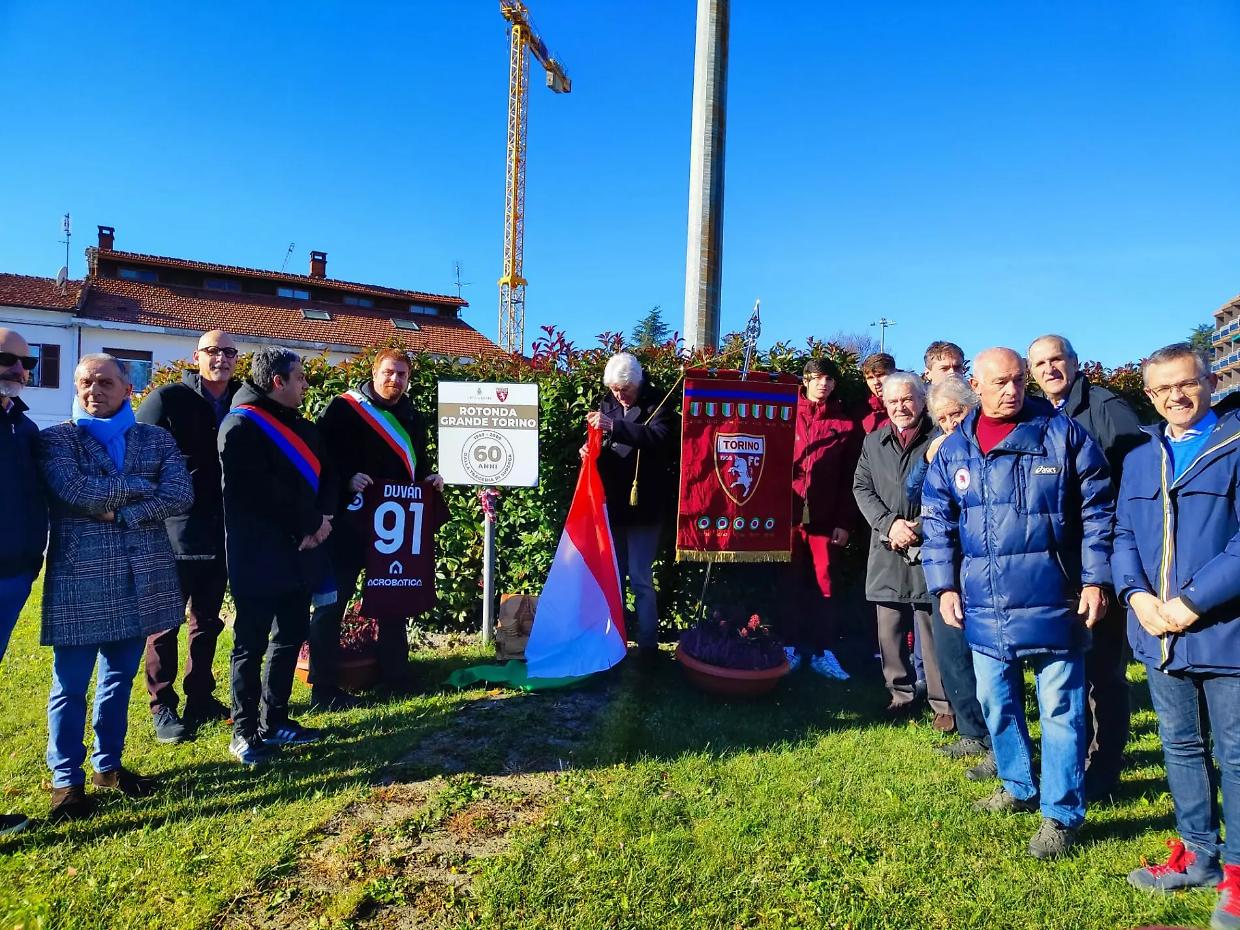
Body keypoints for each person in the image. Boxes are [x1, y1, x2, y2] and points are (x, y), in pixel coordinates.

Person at [921, 347, 1113, 859]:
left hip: (1055, 600)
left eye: (1017, 382)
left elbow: (1098, 511)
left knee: (1061, 711)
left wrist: (1095, 580)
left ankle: (1062, 814)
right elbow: (937, 523)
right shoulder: (954, 451)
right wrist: (944, 586)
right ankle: (1016, 783)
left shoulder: (1064, 436)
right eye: (1000, 383)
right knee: (997, 704)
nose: (1011, 391)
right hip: (984, 604)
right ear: (976, 387)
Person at [1117, 344, 1240, 930]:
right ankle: (1198, 855)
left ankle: (1238, 877)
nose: (1175, 397)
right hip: (1157, 635)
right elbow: (1121, 535)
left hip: (1224, 633)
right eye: (1163, 389)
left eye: (1185, 384)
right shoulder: (1143, 456)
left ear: (1210, 381)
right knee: (1180, 745)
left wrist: (1191, 603)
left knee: (1236, 756)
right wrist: (1137, 597)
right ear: (1150, 395)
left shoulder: (1235, 445)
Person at [39, 354, 193, 820]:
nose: (94, 390)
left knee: (118, 681)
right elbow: (74, 492)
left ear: (129, 389)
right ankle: (66, 780)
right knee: (69, 686)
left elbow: (181, 494)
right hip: (79, 580)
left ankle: (108, 766)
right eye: (86, 382)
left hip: (139, 579)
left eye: (105, 382)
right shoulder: (58, 440)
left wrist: (122, 509)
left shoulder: (155, 437)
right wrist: (143, 487)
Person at [1028, 333, 1146, 800]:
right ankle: (1073, 757)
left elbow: (1131, 490)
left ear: (1075, 363)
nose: (1049, 369)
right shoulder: (1038, 415)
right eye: (1039, 363)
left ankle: (1105, 765)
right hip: (1056, 563)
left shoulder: (1107, 409)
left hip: (1101, 557)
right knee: (1066, 666)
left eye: (1057, 359)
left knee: (1103, 670)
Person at [219, 347, 335, 765]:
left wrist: (322, 520)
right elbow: (257, 491)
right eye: (300, 378)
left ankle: (276, 720)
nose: (305, 385)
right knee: (250, 643)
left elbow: (327, 477)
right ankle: (245, 729)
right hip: (258, 552)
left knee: (289, 637)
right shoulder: (241, 425)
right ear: (277, 382)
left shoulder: (304, 427)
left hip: (301, 551)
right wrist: (305, 525)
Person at [312, 349, 443, 705]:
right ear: (374, 372)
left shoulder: (412, 415)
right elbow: (318, 457)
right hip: (348, 522)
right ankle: (323, 686)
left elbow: (416, 462)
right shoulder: (343, 408)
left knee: (392, 598)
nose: (394, 380)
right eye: (388, 373)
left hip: (394, 524)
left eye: (402, 375)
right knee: (332, 603)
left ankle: (396, 675)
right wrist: (345, 480)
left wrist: (429, 478)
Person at [135, 330, 241, 742]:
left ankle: (201, 696)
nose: (221, 358)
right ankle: (163, 706)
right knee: (164, 623)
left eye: (229, 352)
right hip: (173, 530)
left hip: (224, 530)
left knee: (208, 620)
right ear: (196, 356)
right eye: (213, 351)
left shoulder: (243, 402)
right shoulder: (168, 399)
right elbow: (137, 458)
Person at [852, 371, 951, 725]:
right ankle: (900, 695)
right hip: (886, 546)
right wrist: (889, 524)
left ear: (922, 400)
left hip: (931, 547)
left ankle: (942, 703)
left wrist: (918, 528)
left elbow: (954, 492)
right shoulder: (872, 441)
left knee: (933, 631)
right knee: (889, 630)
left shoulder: (940, 438)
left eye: (907, 399)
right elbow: (862, 488)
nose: (900, 407)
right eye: (892, 401)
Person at [906, 375, 992, 765]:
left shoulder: (987, 442)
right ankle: (971, 729)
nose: (949, 425)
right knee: (950, 649)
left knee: (988, 658)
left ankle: (997, 736)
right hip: (948, 564)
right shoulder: (938, 448)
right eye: (941, 418)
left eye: (955, 414)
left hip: (984, 562)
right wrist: (926, 460)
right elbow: (911, 494)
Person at [585, 352, 678, 663]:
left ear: (636, 383)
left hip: (646, 507)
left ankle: (649, 647)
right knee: (614, 575)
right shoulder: (607, 404)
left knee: (640, 577)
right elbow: (605, 442)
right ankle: (615, 640)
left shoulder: (659, 405)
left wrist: (615, 426)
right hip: (614, 505)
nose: (618, 395)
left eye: (623, 389)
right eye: (613, 389)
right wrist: (588, 448)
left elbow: (661, 439)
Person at [786, 357, 862, 678]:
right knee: (789, 582)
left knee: (825, 582)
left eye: (829, 379)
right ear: (805, 381)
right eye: (817, 378)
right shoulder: (786, 416)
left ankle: (823, 650)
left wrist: (844, 521)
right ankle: (787, 646)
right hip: (788, 517)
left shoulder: (845, 425)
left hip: (825, 519)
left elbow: (851, 479)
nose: (823, 384)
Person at [0, 329, 47, 835]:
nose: (18, 369)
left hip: (14, 575)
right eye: (6, 359)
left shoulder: (24, 426)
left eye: (25, 362)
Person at [859, 353, 896, 433]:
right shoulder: (860, 412)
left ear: (894, 373)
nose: (876, 382)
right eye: (870, 378)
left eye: (880, 375)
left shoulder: (913, 404)